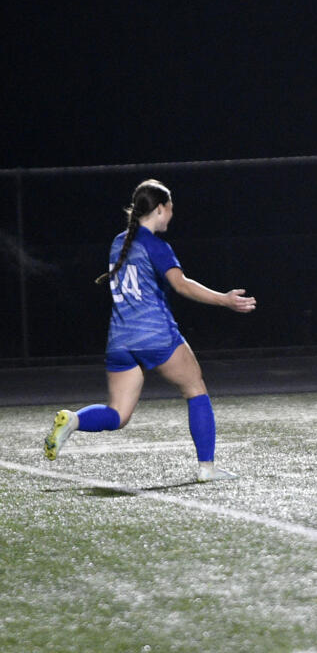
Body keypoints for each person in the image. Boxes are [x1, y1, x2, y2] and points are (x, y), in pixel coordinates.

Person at [43, 179, 256, 481]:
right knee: (195, 388)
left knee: (118, 413)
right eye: (170, 209)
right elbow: (181, 285)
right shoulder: (156, 245)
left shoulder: (119, 242)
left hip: (120, 338)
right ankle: (207, 468)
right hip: (154, 334)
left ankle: (74, 420)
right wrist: (225, 300)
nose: (171, 215)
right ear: (159, 208)